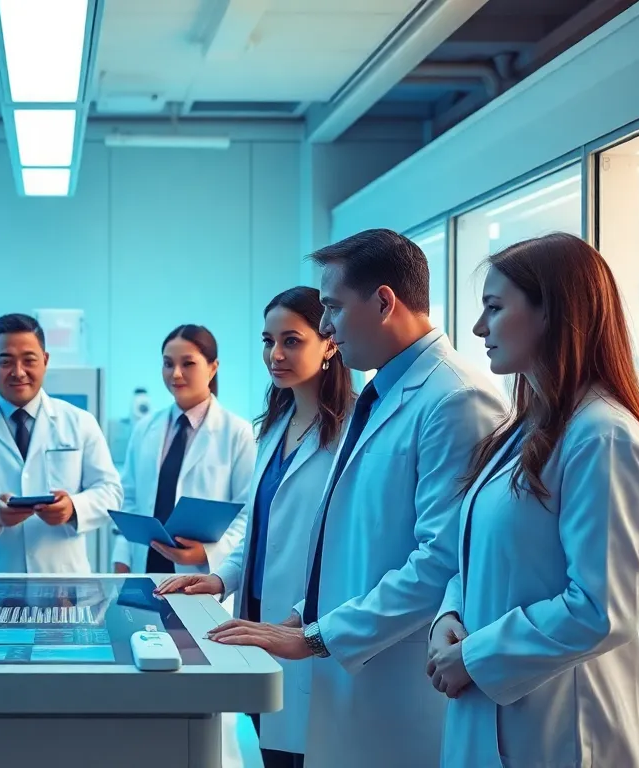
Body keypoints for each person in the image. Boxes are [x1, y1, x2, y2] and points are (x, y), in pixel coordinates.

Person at [205, 229, 505, 767]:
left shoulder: (456, 399)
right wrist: (300, 618)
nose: (326, 326)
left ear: (385, 302)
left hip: (394, 685)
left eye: (333, 308)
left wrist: (318, 635)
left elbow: (439, 563)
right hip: (345, 665)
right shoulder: (381, 392)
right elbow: (345, 541)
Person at [426, 233, 639, 766]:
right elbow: (484, 556)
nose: (478, 328)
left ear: (551, 313)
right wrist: (449, 614)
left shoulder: (602, 436)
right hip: (490, 707)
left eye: (494, 307)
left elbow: (602, 609)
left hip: (562, 728)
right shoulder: (526, 429)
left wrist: (476, 654)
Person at [158, 287, 353, 768]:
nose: (276, 355)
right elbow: (258, 530)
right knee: (272, 749)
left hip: (308, 628)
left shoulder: (353, 427)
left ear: (328, 342)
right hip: (260, 628)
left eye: (292, 340)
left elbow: (352, 546)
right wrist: (222, 577)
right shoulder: (275, 423)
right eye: (269, 341)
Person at [0, 313, 123, 573]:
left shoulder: (80, 422)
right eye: (6, 361)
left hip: (62, 579)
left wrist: (73, 508)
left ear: (45, 361)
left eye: (29, 360)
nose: (18, 372)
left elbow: (111, 492)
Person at [113, 324, 255, 576]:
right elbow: (130, 501)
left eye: (188, 364)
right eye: (168, 364)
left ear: (213, 367)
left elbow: (247, 514)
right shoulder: (145, 428)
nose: (175, 374)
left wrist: (208, 553)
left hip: (203, 574)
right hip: (145, 568)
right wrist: (121, 558)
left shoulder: (237, 433)